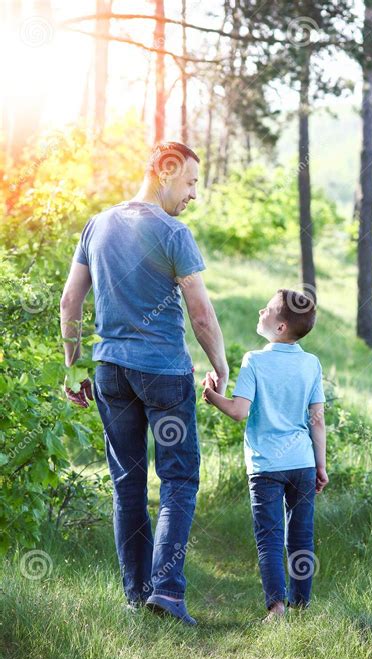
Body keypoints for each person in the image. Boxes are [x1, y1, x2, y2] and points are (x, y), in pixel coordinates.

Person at [60, 141, 229, 626]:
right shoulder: (174, 232)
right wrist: (220, 364)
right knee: (178, 478)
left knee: (127, 483)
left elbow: (70, 302)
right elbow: (200, 313)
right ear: (164, 173)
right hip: (163, 374)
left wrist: (74, 367)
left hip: (110, 371)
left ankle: (136, 595)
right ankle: (168, 595)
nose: (194, 193)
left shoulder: (98, 224)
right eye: (191, 182)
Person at [202, 289, 328, 622]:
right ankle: (302, 605)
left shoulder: (254, 360)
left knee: (270, 536)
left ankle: (277, 608)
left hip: (265, 465)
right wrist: (321, 465)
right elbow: (317, 420)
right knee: (301, 534)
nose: (261, 311)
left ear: (281, 327)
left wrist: (211, 395)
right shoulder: (311, 363)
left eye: (268, 309)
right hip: (302, 463)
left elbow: (239, 412)